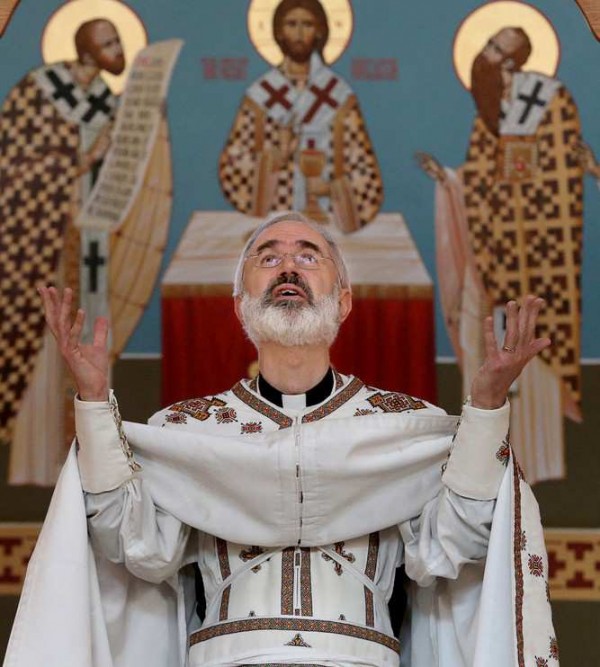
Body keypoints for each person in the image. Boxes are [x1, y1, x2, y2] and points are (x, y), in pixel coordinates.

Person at [8, 210, 557, 667]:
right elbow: (132, 546)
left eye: (308, 256)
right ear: (239, 304)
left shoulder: (402, 425)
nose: (288, 266)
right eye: (267, 257)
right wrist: (94, 399)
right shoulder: (188, 429)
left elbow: (450, 546)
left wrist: (485, 407)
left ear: (343, 302)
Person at [416, 26, 585, 484]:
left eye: (494, 50)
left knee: (535, 353)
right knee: (491, 343)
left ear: (512, 61)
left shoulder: (551, 98)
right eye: (487, 46)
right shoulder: (488, 111)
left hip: (539, 249)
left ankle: (540, 463)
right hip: (491, 248)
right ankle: (490, 461)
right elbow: (481, 177)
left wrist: (527, 192)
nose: (484, 56)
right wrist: (451, 181)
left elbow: (565, 170)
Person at [0, 19, 123, 483]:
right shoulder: (40, 87)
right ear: (88, 50)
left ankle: (93, 464)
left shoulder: (109, 102)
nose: (117, 50)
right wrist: (85, 158)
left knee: (88, 337)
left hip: (89, 240)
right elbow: (14, 156)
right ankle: (36, 466)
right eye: (109, 42)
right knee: (39, 344)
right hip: (37, 236)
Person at [219, 0, 383, 232]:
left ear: (319, 32)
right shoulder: (259, 97)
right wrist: (276, 158)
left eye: (307, 24)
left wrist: (329, 189)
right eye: (291, 24)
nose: (298, 33)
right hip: (272, 225)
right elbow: (232, 166)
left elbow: (367, 173)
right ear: (278, 31)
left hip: (328, 227)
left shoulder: (339, 96)